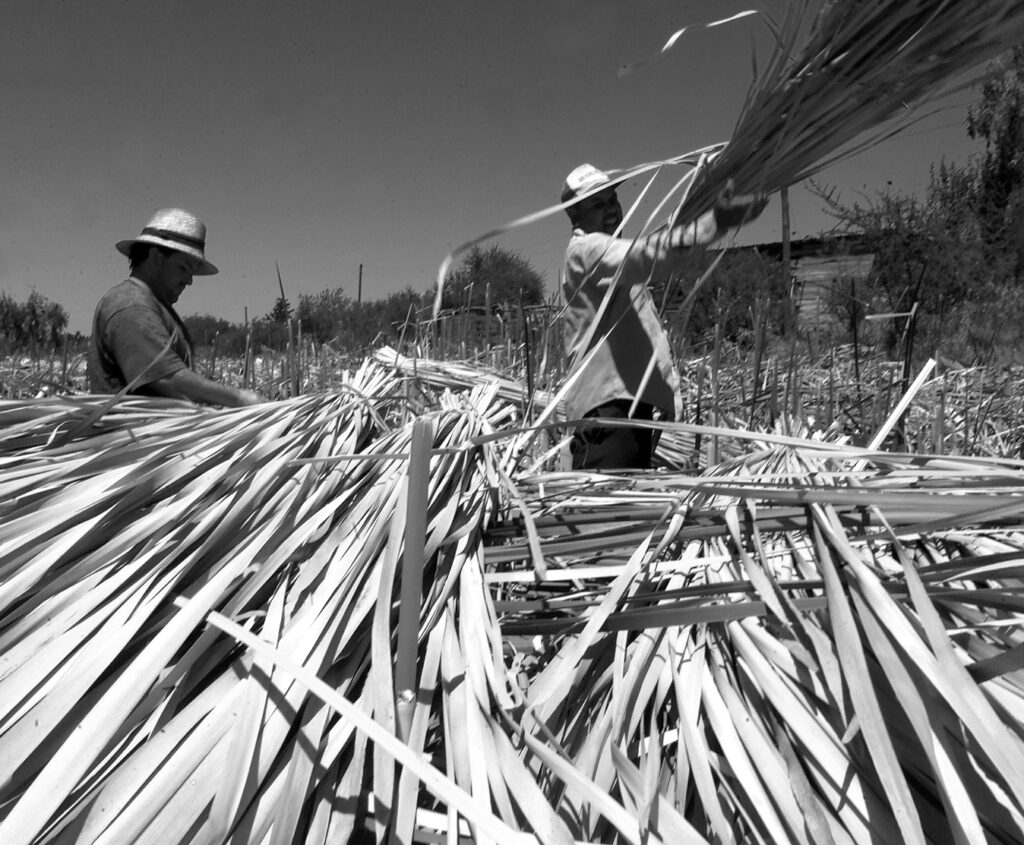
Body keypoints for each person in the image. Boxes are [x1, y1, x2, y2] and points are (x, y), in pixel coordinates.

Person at [560, 163, 767, 469]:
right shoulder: (587, 250)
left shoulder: (610, 255)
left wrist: (704, 202)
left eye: (612, 200)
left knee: (621, 511)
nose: (611, 210)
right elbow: (645, 255)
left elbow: (655, 243)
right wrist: (714, 222)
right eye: (597, 204)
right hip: (608, 412)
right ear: (576, 215)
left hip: (626, 409)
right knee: (609, 512)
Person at [87, 208, 264, 407]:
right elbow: (165, 377)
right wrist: (241, 399)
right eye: (183, 268)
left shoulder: (154, 304)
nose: (189, 281)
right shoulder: (131, 304)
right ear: (155, 257)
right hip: (139, 435)